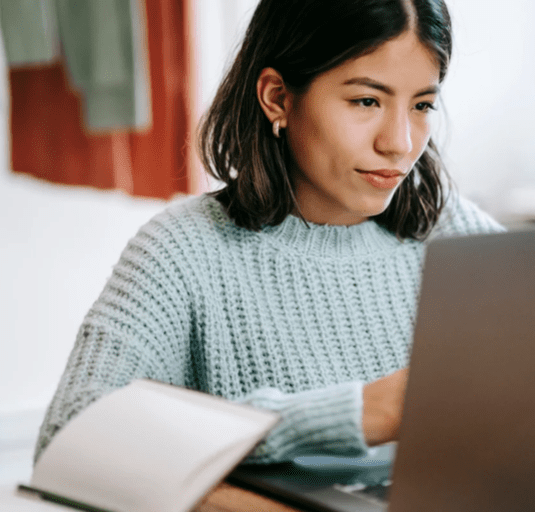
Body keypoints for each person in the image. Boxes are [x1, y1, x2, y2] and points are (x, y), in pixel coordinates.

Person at [35, 0, 503, 465]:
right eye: (367, 101)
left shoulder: (450, 228)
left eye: (422, 105)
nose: (400, 143)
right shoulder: (184, 250)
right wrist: (355, 414)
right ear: (277, 97)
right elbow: (68, 435)